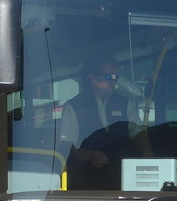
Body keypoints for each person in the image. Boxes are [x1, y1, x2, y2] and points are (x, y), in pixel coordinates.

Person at [60, 54, 148, 189]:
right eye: (110, 77)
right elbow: (66, 146)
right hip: (86, 181)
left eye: (116, 77)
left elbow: (139, 133)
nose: (115, 82)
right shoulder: (73, 107)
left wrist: (147, 156)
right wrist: (89, 156)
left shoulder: (126, 104)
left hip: (123, 179)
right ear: (93, 79)